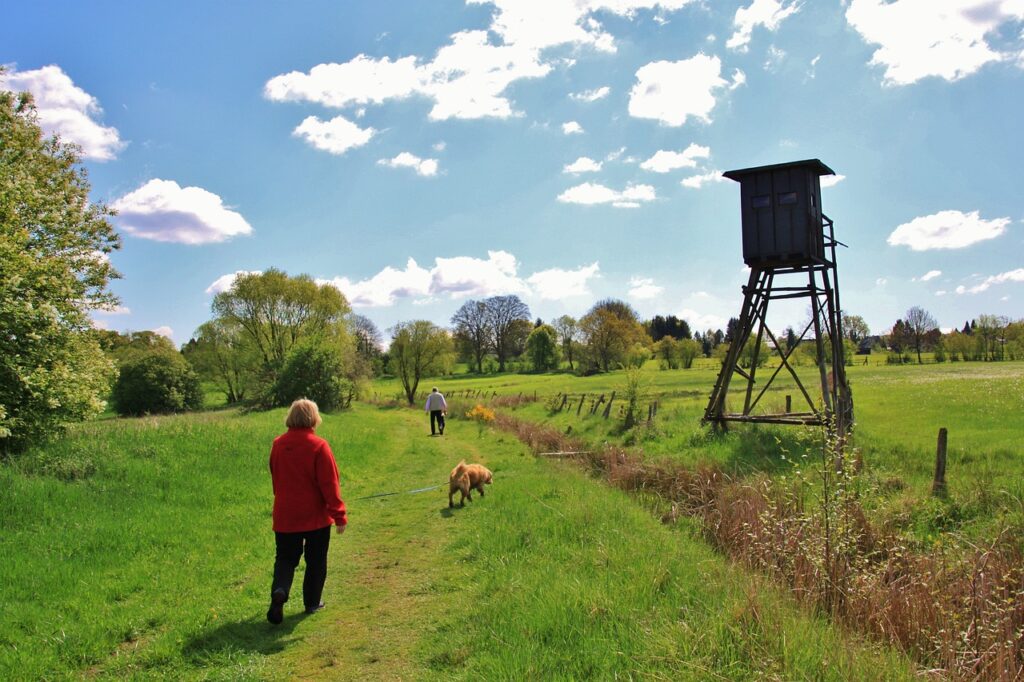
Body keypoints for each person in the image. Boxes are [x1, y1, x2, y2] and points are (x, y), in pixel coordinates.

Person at [266, 399, 347, 625]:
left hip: (285, 514)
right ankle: (312, 602)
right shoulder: (319, 446)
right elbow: (330, 484)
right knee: (316, 560)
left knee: (285, 558)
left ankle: (280, 590)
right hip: (315, 518)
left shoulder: (278, 444)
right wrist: (339, 514)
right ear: (314, 418)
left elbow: (275, 476)